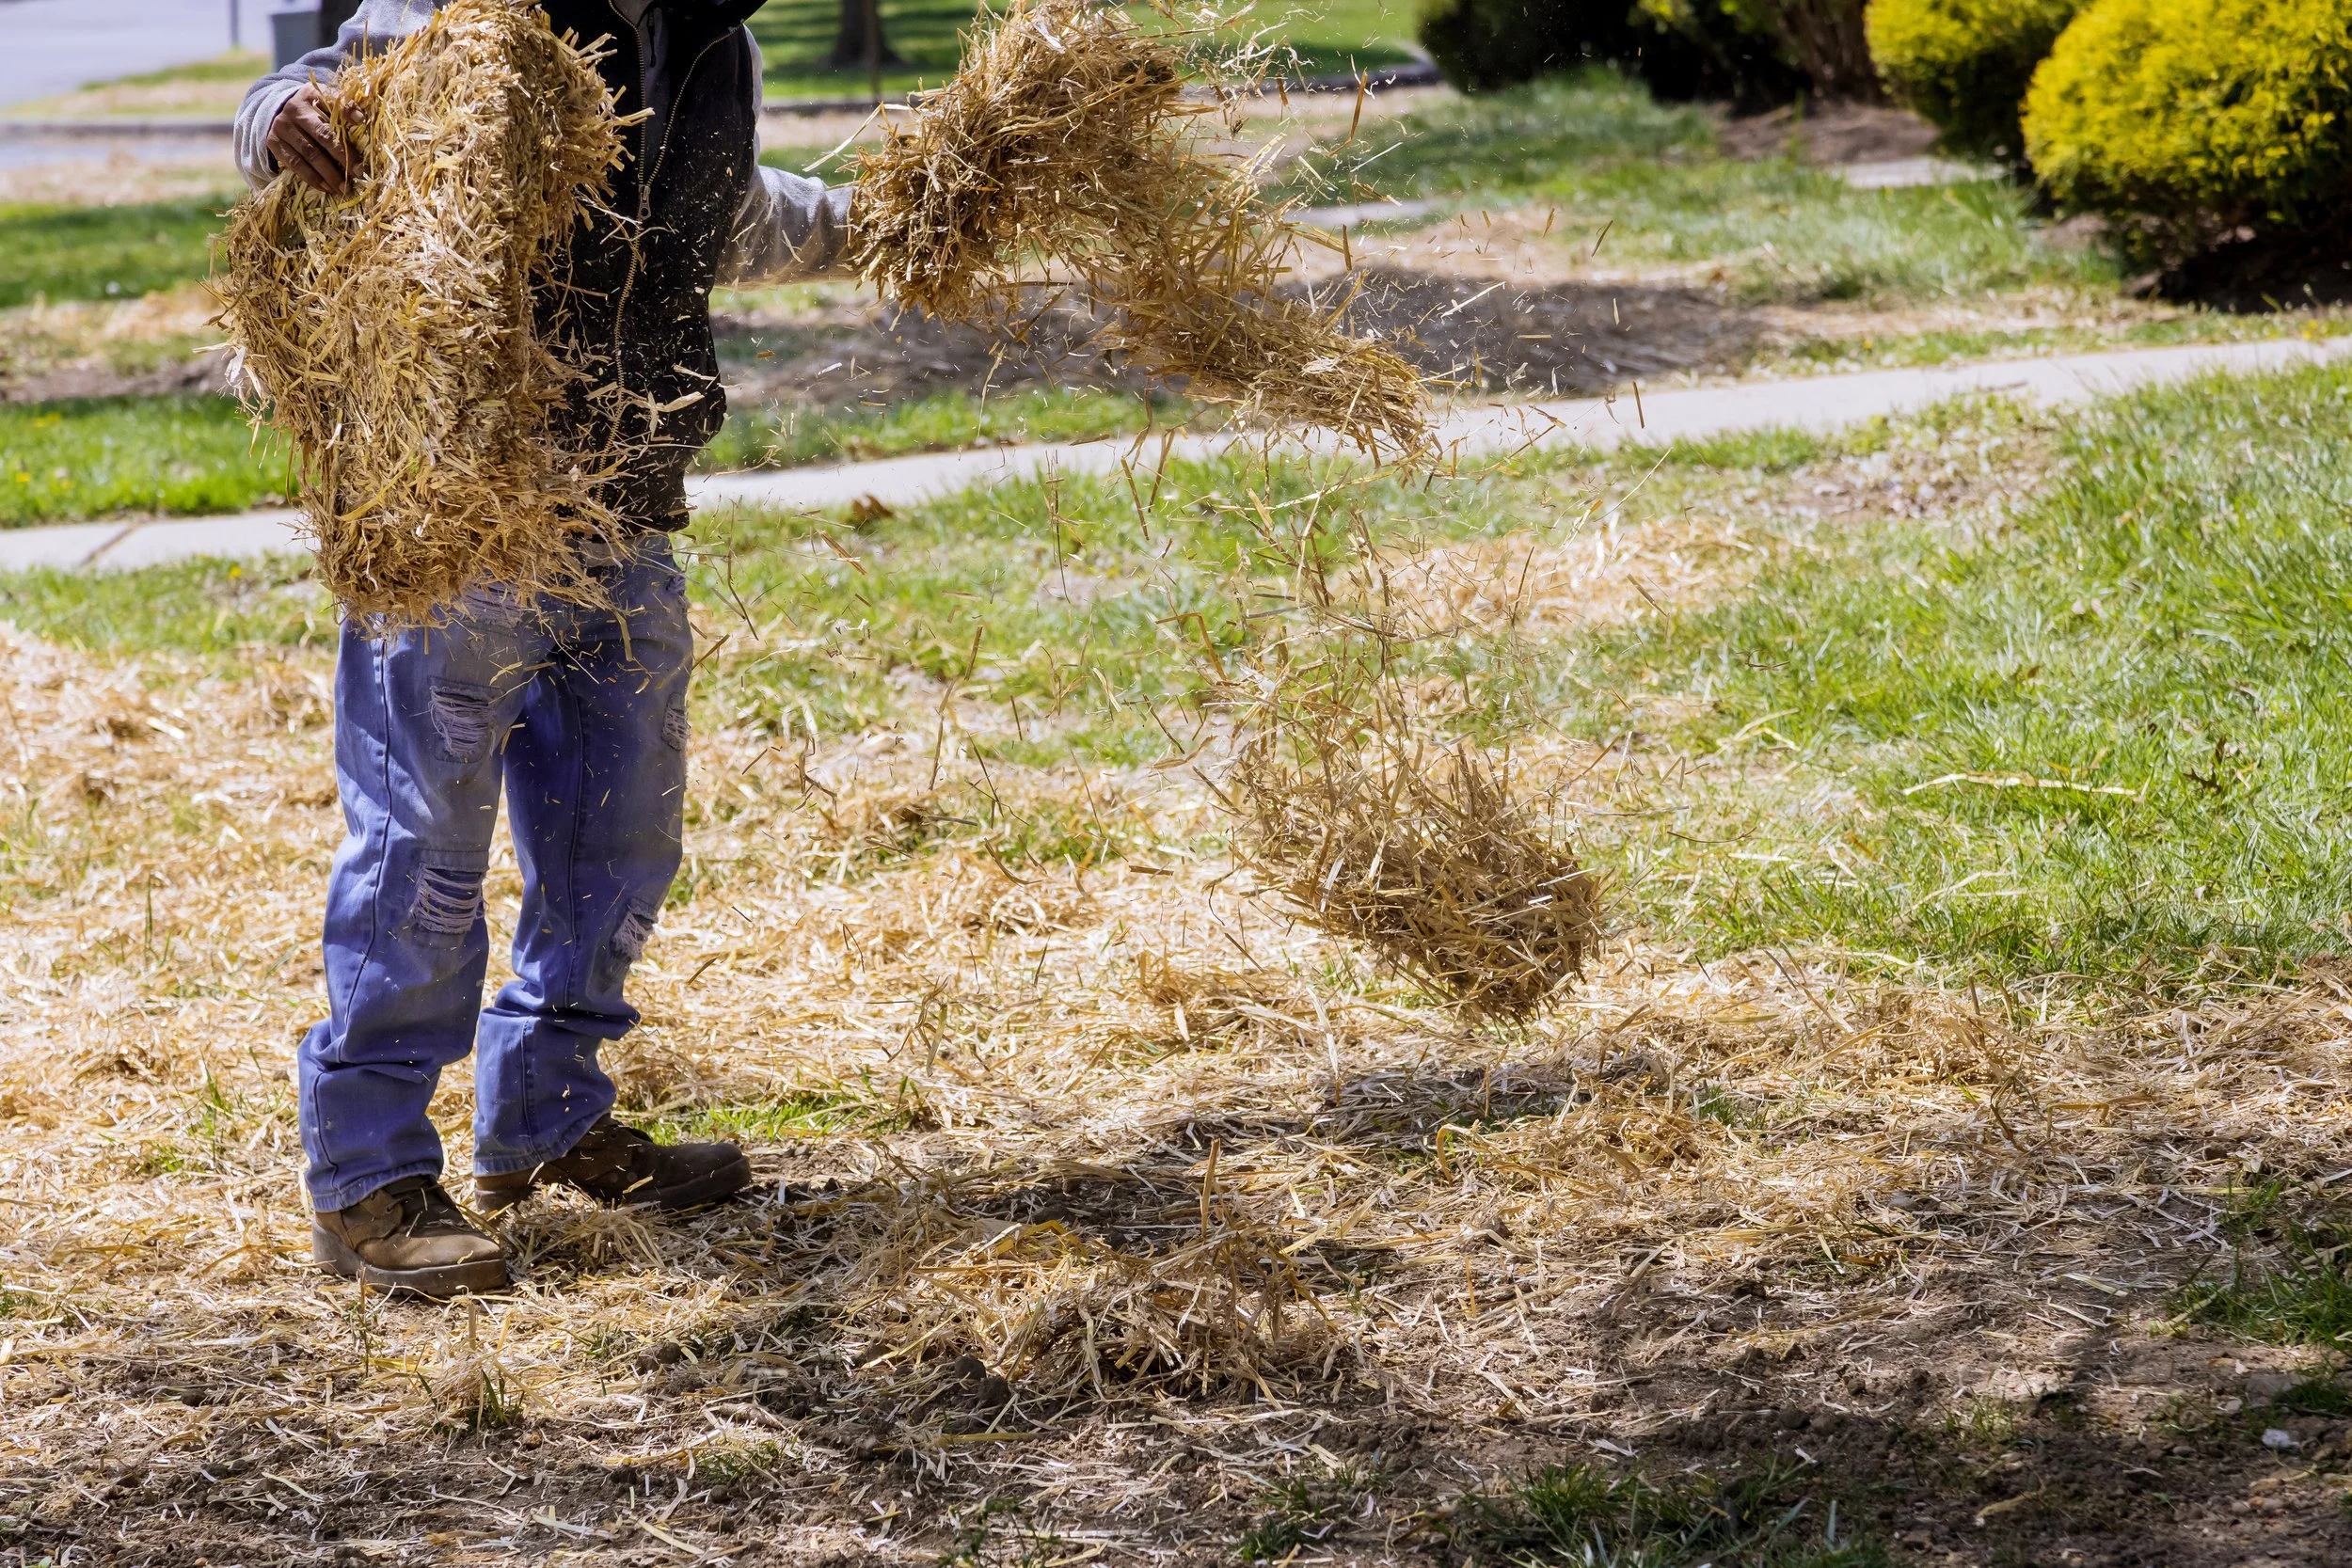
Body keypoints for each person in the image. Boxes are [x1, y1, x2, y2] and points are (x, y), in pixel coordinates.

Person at [237, 0, 853, 1298]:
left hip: (622, 503)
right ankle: (365, 1171)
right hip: (459, 515)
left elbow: (720, 213)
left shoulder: (709, 35)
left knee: (619, 837)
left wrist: (883, 222)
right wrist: (278, 124)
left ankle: (549, 1121)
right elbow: (307, 101)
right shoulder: (468, 13)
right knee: (426, 851)